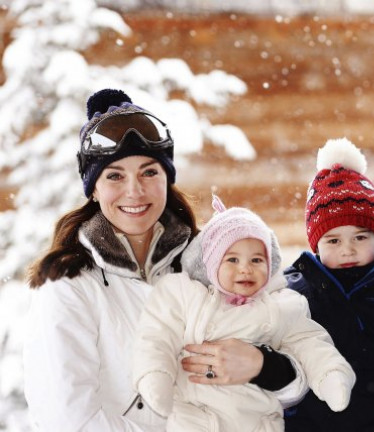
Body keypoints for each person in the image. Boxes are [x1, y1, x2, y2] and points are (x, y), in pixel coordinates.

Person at [23, 89, 304, 431]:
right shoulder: (69, 283)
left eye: (148, 172)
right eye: (114, 175)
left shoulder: (211, 260)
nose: (134, 190)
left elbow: (299, 374)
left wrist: (265, 366)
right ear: (93, 188)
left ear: (167, 178)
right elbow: (66, 418)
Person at [133, 195, 356, 431]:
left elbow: (310, 343)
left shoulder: (281, 305)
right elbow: (157, 336)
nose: (246, 269)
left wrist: (330, 374)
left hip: (256, 423)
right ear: (211, 264)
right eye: (232, 259)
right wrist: (156, 374)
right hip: (196, 419)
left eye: (257, 259)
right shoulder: (187, 297)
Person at [283, 138, 374, 431]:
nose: (348, 249)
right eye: (333, 240)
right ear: (317, 246)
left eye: (360, 237)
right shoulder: (294, 293)